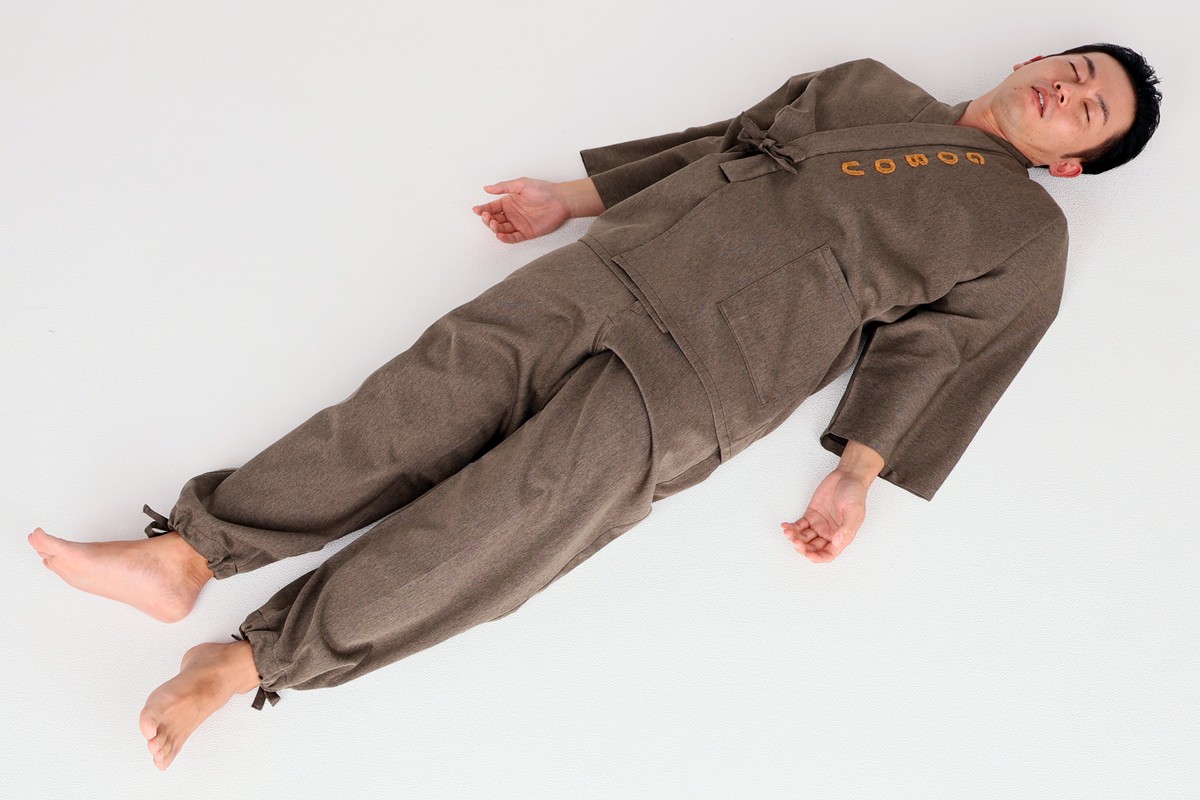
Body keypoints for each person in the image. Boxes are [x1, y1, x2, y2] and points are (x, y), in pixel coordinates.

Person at [27, 43, 1161, 771]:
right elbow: (718, 142)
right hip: (618, 266)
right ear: (1033, 58)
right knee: (413, 402)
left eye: (1089, 110)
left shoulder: (1026, 236)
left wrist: (854, 474)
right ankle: (186, 551)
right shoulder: (864, 86)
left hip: (711, 374)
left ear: (1072, 163)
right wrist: (571, 199)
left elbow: (945, 351)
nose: (1067, 92)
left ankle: (245, 665)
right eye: (1073, 70)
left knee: (504, 524)